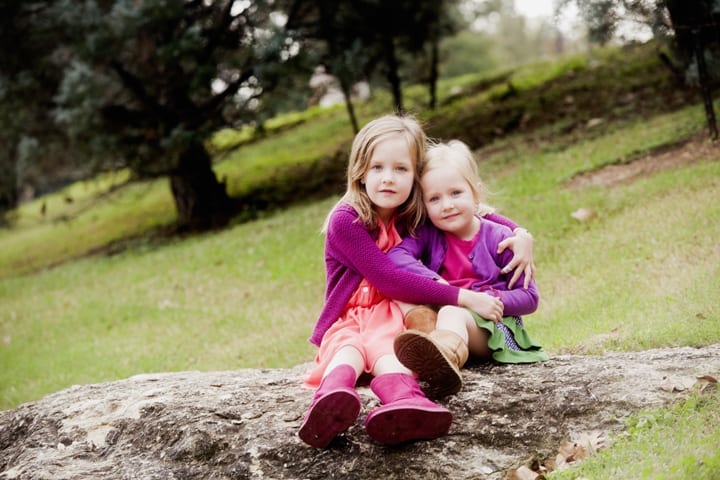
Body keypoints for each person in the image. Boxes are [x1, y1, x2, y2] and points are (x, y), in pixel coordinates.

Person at [299, 115, 532, 449]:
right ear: (359, 171)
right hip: (351, 315)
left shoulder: (413, 212)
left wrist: (521, 233)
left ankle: (406, 403)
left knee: (390, 354)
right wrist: (462, 297)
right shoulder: (346, 219)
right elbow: (390, 279)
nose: (387, 179)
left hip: (395, 314)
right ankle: (332, 399)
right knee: (346, 350)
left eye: (401, 169)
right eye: (376, 167)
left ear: (416, 178)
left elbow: (477, 208)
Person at [388, 140, 549, 399]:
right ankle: (436, 353)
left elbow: (530, 298)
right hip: (453, 321)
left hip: (494, 328)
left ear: (476, 193)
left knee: (452, 312)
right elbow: (396, 256)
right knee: (412, 299)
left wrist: (490, 301)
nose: (447, 205)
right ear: (424, 205)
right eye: (434, 199)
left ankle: (443, 360)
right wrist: (437, 283)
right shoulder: (428, 234)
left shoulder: (501, 238)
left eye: (456, 193)